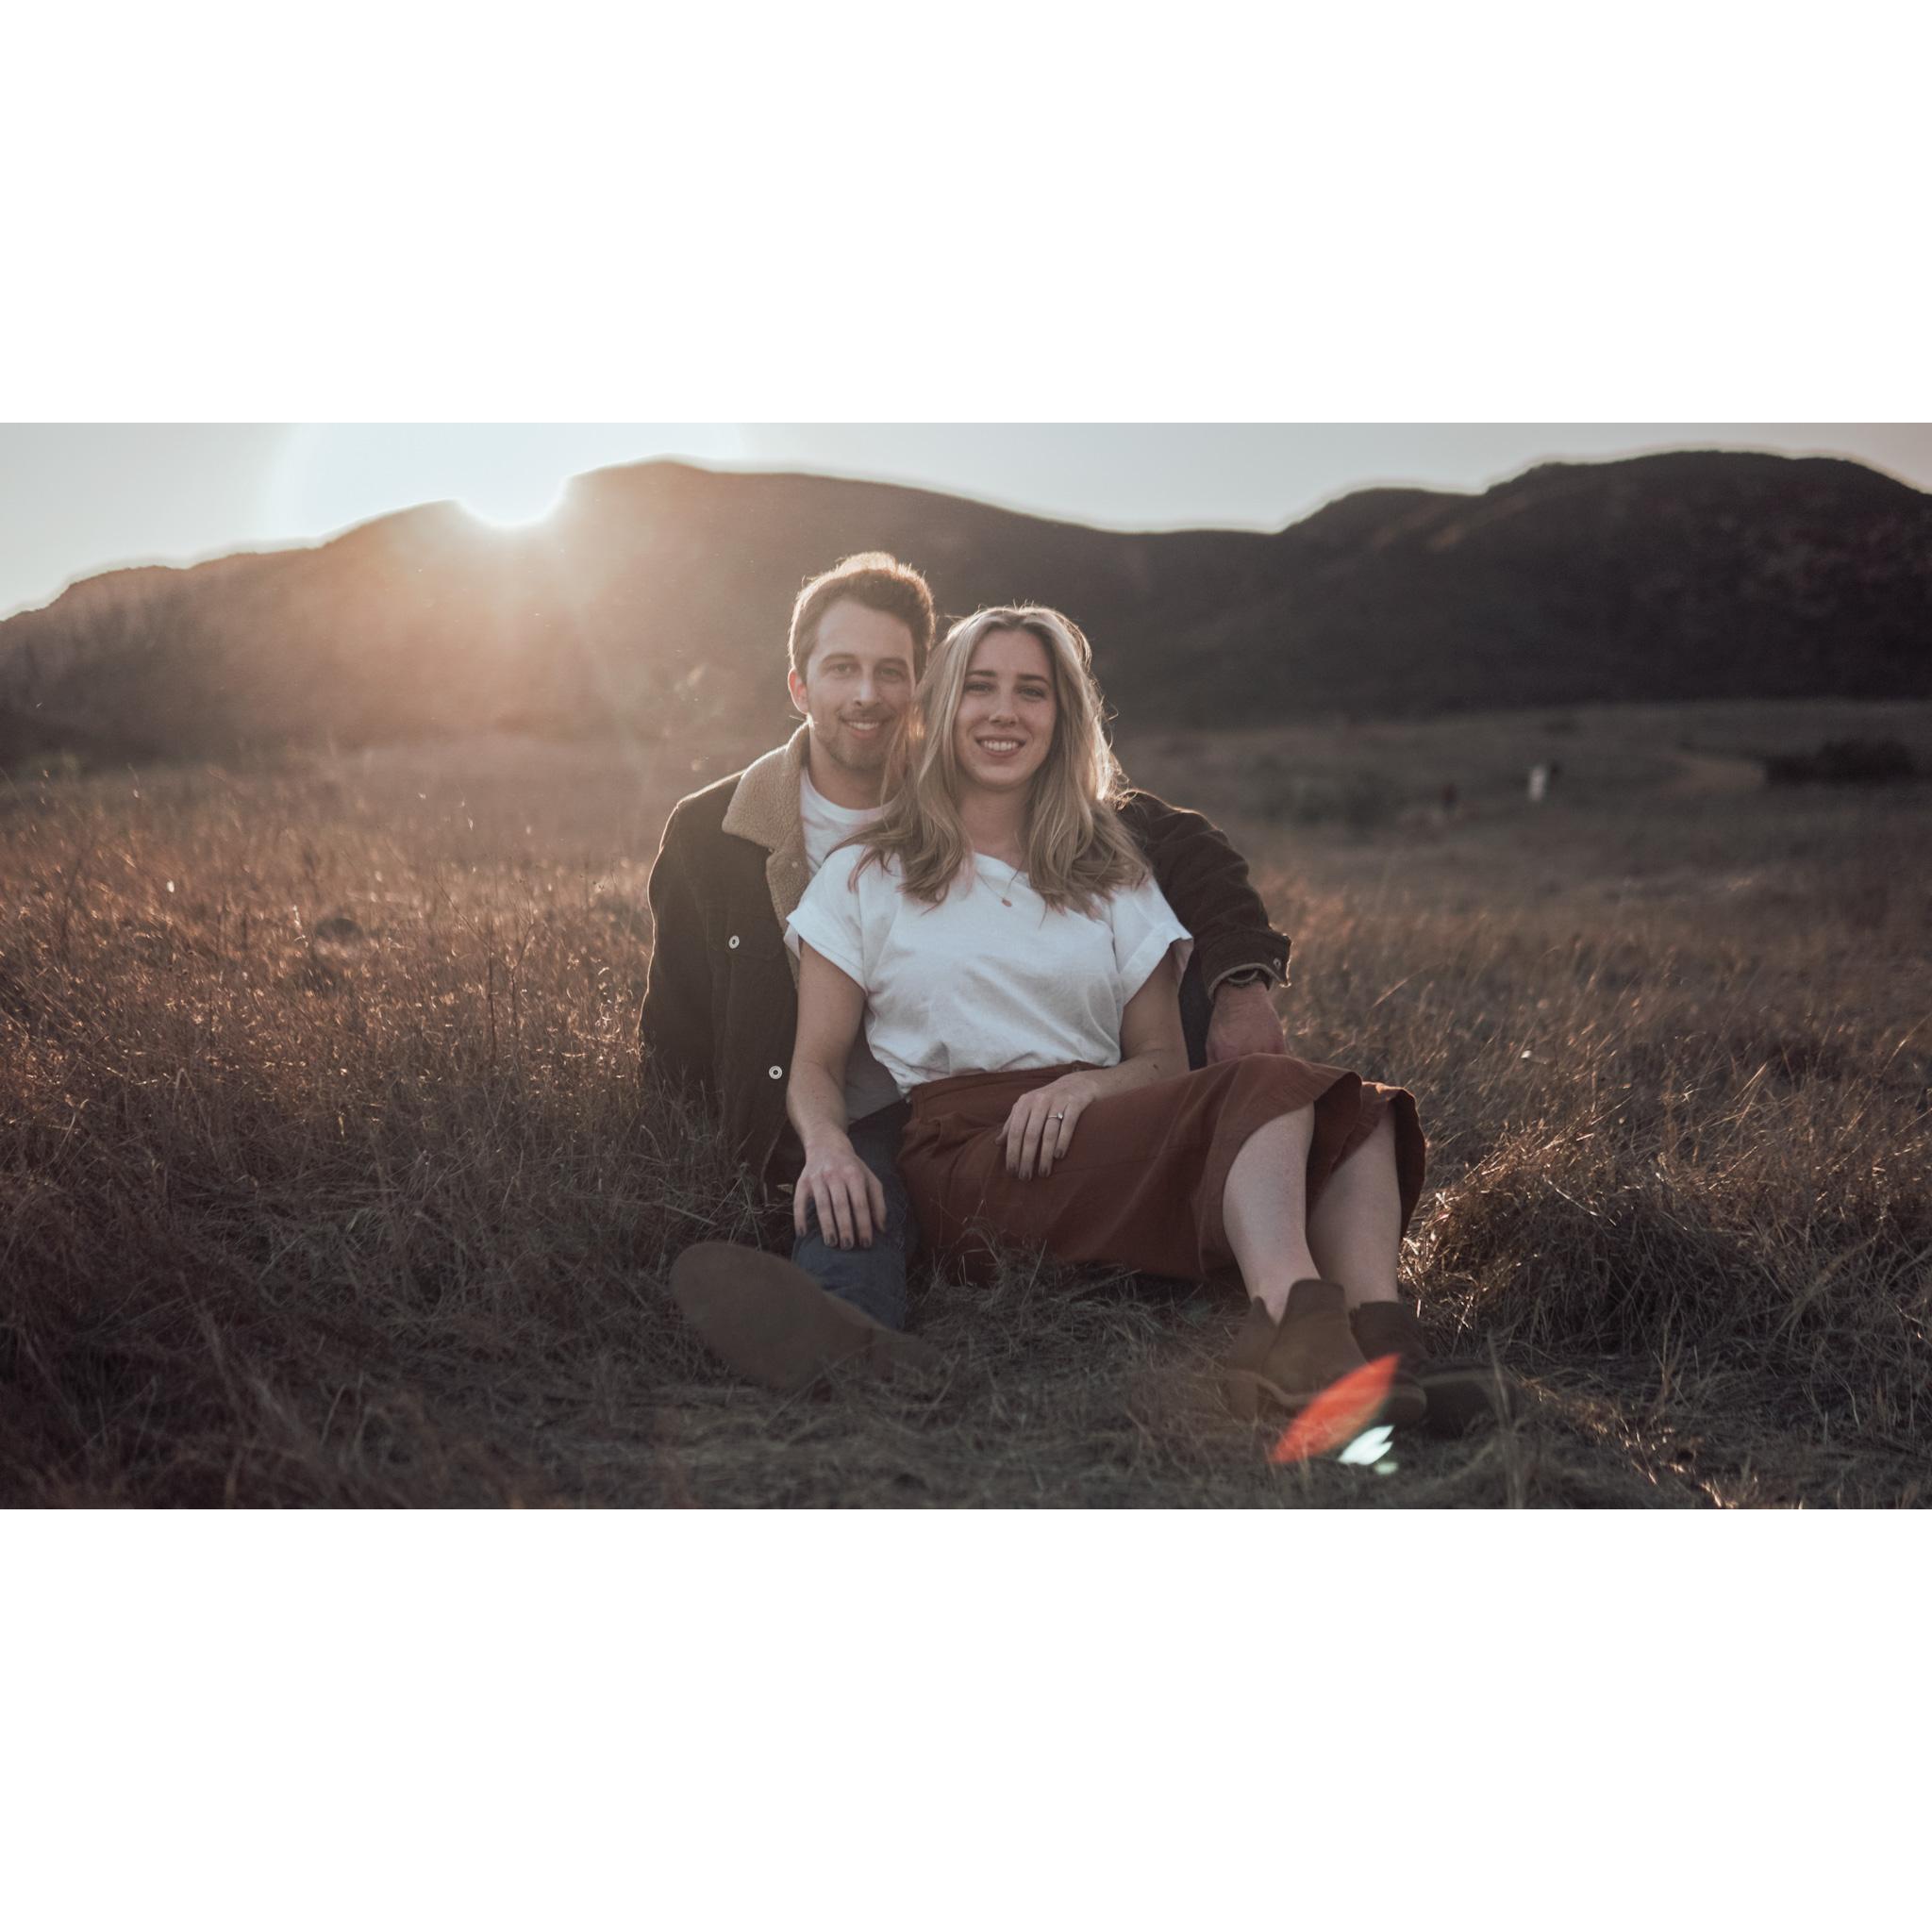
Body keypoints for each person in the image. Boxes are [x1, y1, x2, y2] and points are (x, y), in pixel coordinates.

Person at [777, 604, 1457, 1426]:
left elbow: (1162, 1060)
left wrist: (1086, 1089)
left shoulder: (1109, 869)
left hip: (1102, 1121)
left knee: (1363, 1114)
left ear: (1062, 718)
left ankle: (1385, 1347)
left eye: (1031, 691)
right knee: (1266, 1090)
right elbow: (815, 1062)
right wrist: (828, 1148)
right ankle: (1287, 1329)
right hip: (971, 1157)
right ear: (943, 704)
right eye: (980, 687)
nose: (1004, 712)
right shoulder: (866, 873)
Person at [642, 554, 1294, 1389]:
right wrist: (691, 1171)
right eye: (841, 669)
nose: (868, 695)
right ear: (800, 686)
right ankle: (849, 1341)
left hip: (990, 1091)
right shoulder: (715, 830)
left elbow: (1185, 844)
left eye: (892, 672)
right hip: (843, 1109)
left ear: (925, 689)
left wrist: (1240, 982)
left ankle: (1250, 1283)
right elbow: (678, 1021)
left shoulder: (987, 776)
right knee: (856, 1194)